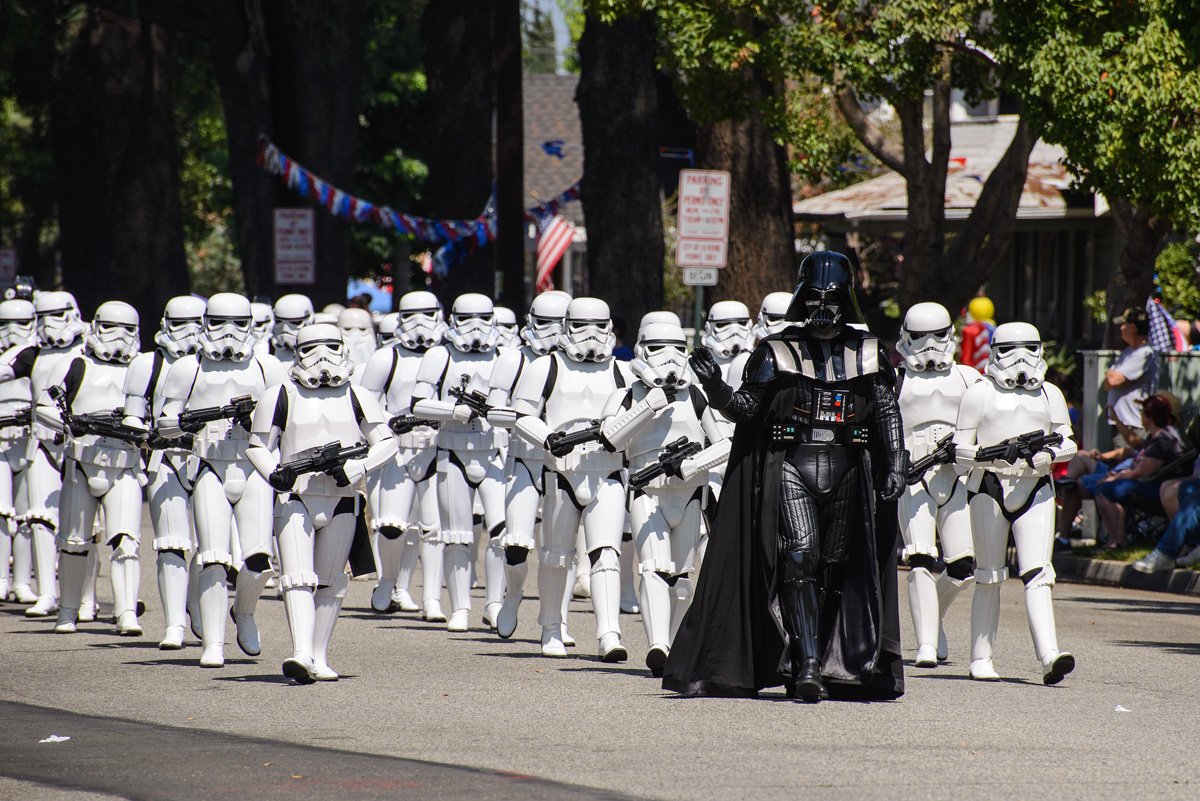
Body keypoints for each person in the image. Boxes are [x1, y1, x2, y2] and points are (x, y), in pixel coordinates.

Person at [663, 252, 908, 702]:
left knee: (835, 566)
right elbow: (746, 410)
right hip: (793, 464)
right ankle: (809, 663)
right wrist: (717, 388)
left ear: (846, 298)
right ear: (801, 296)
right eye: (813, 297)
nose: (822, 307)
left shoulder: (869, 351)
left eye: (831, 298)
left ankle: (823, 661)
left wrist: (895, 463)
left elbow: (887, 413)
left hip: (849, 466)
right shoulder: (776, 351)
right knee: (800, 556)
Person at [248, 324, 397, 683]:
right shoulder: (280, 394)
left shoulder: (358, 394)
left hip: (343, 498)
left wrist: (357, 466)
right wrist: (274, 473)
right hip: (296, 495)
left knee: (332, 582)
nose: (323, 356)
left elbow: (387, 442)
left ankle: (318, 655)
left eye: (331, 346)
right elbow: (257, 446)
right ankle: (300, 652)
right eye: (313, 348)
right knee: (297, 578)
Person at [156, 293, 288, 667]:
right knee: (213, 556)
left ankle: (243, 612)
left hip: (254, 467)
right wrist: (189, 421)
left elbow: (286, 419)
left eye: (238, 323)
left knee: (259, 559)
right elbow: (163, 423)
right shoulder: (187, 367)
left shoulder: (267, 367)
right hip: (209, 466)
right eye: (218, 322)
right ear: (205, 323)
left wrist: (256, 422)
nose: (228, 333)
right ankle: (212, 643)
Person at [599, 320, 731, 676]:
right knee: (654, 569)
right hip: (648, 493)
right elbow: (610, 438)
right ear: (641, 348)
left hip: (690, 493)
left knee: (683, 577)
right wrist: (649, 406)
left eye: (676, 346)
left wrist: (692, 464)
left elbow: (724, 443)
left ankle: (678, 647)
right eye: (658, 347)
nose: (669, 357)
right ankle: (659, 643)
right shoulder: (627, 395)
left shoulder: (697, 395)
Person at [954, 322, 1078, 684]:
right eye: (1011, 349)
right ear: (995, 351)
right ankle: (980, 657)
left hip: (1035, 485)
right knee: (989, 575)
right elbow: (960, 448)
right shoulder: (979, 395)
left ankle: (1049, 655)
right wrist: (989, 457)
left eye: (1030, 348)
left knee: (1040, 573)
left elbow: (1067, 441)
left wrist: (1046, 455)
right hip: (989, 485)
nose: (1021, 358)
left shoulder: (1049, 394)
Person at [509, 297, 632, 660]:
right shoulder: (546, 366)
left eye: (599, 325)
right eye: (581, 325)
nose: (591, 335)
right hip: (560, 471)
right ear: (566, 326)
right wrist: (547, 437)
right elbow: (521, 414)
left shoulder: (622, 371)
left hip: (606, 469)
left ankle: (609, 632)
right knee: (555, 556)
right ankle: (550, 628)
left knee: (606, 553)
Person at [47, 301, 146, 636]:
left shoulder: (142, 367)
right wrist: (69, 423)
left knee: (127, 542)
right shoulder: (75, 363)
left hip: (125, 462)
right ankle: (68, 610)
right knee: (74, 542)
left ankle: (126, 612)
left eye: (127, 330)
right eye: (110, 328)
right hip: (81, 462)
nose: (119, 337)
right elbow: (45, 408)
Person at [410, 293, 506, 632]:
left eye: (483, 318)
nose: (475, 328)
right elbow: (418, 403)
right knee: (457, 535)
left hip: (495, 453)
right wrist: (452, 411)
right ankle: (460, 607)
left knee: (501, 532)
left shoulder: (505, 356)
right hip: (452, 450)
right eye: (467, 318)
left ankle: (494, 603)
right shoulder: (440, 355)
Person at [894, 302, 982, 667]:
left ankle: (934, 619)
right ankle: (926, 644)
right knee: (919, 557)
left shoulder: (967, 377)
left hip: (955, 474)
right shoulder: (894, 378)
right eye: (920, 337)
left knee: (963, 565)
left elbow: (987, 420)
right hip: (913, 475)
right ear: (906, 337)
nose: (929, 344)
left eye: (937, 335)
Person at [123, 295, 207, 649]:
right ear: (165, 325)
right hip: (165, 456)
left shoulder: (222, 365)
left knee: (214, 548)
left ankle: (199, 607)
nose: (189, 333)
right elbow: (132, 412)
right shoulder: (147, 364)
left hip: (211, 457)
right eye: (180, 324)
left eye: (197, 324)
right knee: (171, 545)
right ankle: (174, 623)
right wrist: (142, 432)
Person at [1091, 395, 1188, 551]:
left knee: (1106, 489)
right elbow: (1136, 453)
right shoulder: (1155, 436)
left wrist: (1115, 478)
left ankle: (1117, 540)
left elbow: (1142, 472)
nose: (1141, 416)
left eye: (1143, 413)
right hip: (1151, 482)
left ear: (1150, 417)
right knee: (1101, 487)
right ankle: (1114, 539)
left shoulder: (1163, 439)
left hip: (1160, 487)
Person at [1104, 307, 1158, 449]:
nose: (1121, 328)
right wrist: (1118, 380)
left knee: (1124, 463)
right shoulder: (1128, 352)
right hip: (1121, 421)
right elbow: (1108, 383)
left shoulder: (1144, 353)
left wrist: (1117, 379)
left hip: (1132, 423)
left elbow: (1112, 380)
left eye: (1124, 324)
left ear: (1132, 328)